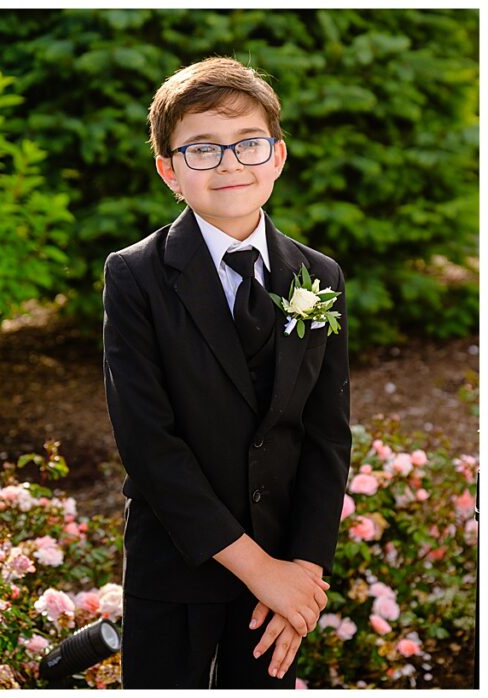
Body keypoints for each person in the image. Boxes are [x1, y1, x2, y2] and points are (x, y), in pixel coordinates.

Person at [103, 57, 351, 688]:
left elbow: (327, 436)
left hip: (282, 573)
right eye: (202, 149)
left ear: (277, 155)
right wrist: (258, 568)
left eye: (247, 144)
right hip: (178, 562)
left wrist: (302, 572)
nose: (230, 163)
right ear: (169, 171)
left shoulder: (318, 277)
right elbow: (148, 444)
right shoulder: (134, 275)